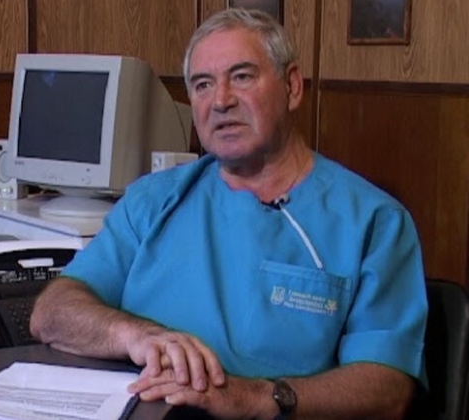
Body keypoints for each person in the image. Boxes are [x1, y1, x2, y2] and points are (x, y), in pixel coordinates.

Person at [30, 7, 427, 420]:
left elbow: (388, 388)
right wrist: (135, 336)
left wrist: (256, 399)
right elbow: (52, 313)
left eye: (242, 77)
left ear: (292, 86)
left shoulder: (374, 221)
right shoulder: (152, 200)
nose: (221, 101)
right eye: (203, 85)